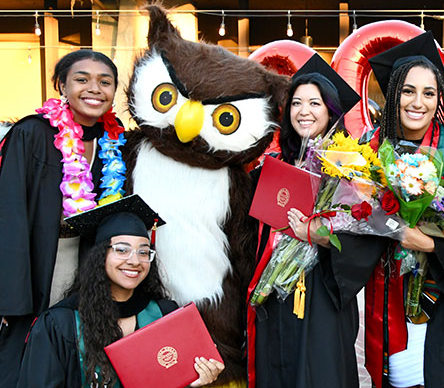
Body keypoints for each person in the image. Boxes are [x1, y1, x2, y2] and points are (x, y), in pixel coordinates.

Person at [327, 31, 444, 388]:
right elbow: (348, 220)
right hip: (383, 296)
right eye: (408, 91)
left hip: (440, 303)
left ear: (439, 100)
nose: (418, 102)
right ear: (392, 95)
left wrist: (428, 242)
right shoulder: (367, 156)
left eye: (429, 93)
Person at [0, 50, 128, 387]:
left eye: (105, 82)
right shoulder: (32, 133)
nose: (94, 89)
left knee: (79, 346)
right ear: (62, 85)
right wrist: (9, 292)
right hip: (38, 258)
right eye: (82, 80)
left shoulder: (115, 140)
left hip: (90, 259)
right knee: (30, 348)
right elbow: (8, 211)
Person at [16, 194, 225, 387]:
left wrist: (192, 380)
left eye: (144, 252)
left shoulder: (165, 315)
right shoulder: (60, 324)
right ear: (100, 256)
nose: (135, 261)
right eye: (122, 250)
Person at [246, 53, 363, 388]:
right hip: (273, 288)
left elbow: (362, 234)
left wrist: (319, 234)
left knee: (319, 371)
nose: (304, 111)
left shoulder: (348, 167)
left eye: (315, 103)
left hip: (322, 292)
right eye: (296, 103)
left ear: (330, 111)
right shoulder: (272, 166)